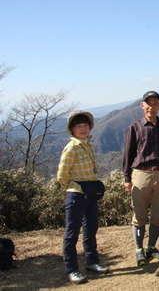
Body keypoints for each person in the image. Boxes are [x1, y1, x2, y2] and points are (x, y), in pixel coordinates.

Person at [122, 91, 159, 266]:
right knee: (139, 214)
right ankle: (139, 249)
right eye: (148, 103)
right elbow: (127, 155)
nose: (152, 106)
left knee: (158, 215)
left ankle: (151, 247)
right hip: (141, 174)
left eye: (155, 103)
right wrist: (127, 178)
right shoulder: (134, 128)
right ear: (142, 105)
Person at [57, 111, 108, 284]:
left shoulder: (87, 145)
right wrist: (76, 189)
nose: (83, 128)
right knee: (72, 233)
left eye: (85, 125)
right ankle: (72, 269)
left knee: (90, 229)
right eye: (79, 126)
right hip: (76, 195)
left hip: (90, 193)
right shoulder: (71, 148)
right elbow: (62, 176)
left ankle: (92, 262)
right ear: (72, 129)